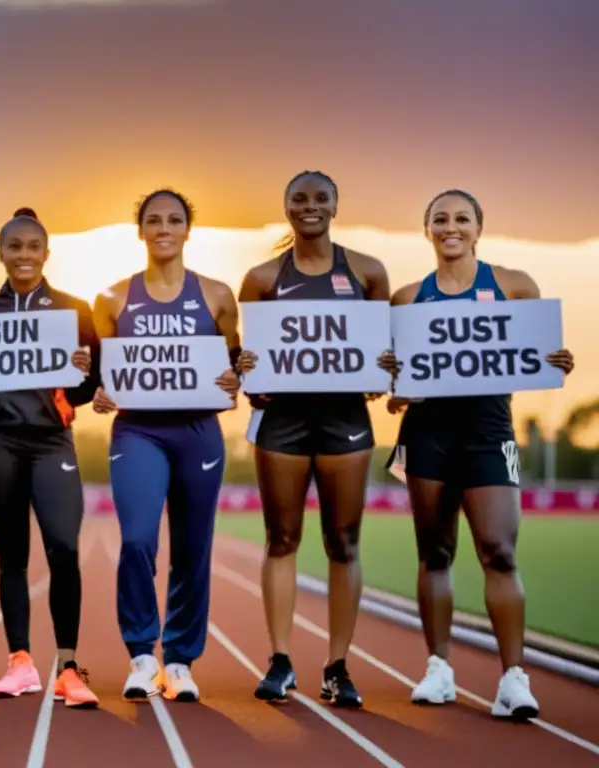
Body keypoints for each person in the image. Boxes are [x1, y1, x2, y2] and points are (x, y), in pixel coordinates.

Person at [379, 189, 574, 720]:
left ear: (478, 228)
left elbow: (537, 353)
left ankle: (514, 677)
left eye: (461, 218)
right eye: (439, 219)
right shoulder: (406, 298)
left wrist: (557, 358)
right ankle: (438, 668)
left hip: (489, 428)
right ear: (427, 231)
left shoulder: (513, 284)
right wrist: (394, 387)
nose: (451, 227)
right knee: (435, 552)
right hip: (428, 433)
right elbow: (397, 379)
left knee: (499, 549)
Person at [91, 189, 253, 703]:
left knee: (192, 548)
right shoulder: (112, 299)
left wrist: (236, 381)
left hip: (198, 433)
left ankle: (180, 660)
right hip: (138, 432)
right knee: (137, 538)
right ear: (140, 231)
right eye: (153, 220)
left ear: (188, 230)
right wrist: (98, 391)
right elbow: (102, 373)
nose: (164, 228)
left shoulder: (218, 295)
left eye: (174, 220)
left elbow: (240, 365)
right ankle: (142, 654)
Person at [236, 170, 391, 709]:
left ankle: (337, 666)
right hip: (284, 424)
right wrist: (248, 373)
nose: (310, 207)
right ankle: (280, 661)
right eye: (299, 199)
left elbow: (382, 350)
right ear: (285, 206)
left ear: (335, 205)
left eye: (320, 198)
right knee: (281, 538)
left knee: (343, 542)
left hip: (345, 420)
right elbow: (245, 358)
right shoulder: (260, 278)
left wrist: (383, 371)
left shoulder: (368, 272)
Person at [0, 207, 100, 708]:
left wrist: (83, 372)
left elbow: (86, 391)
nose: (25, 255)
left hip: (52, 443)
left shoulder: (74, 311)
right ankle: (20, 662)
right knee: (12, 555)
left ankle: (70, 668)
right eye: (15, 247)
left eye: (33, 246)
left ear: (46, 253)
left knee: (63, 548)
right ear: (1, 254)